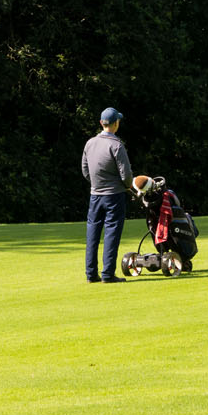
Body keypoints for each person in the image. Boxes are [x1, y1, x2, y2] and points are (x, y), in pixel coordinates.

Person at [82, 108, 132, 284]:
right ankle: (108, 274)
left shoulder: (90, 143)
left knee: (92, 233)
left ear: (101, 123)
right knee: (111, 233)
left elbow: (85, 170)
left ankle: (91, 274)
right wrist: (129, 187)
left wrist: (96, 183)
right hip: (114, 195)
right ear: (115, 124)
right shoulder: (116, 145)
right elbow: (126, 175)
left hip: (95, 195)